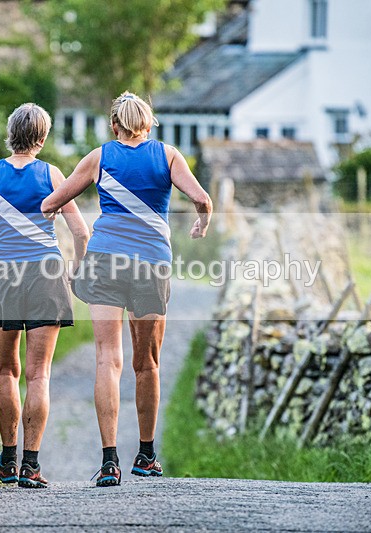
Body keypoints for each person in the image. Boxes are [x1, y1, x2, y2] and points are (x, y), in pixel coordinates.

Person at [41, 91, 212, 487]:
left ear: (114, 125)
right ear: (149, 124)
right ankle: (146, 456)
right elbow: (202, 200)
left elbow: (51, 203)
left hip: (105, 260)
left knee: (107, 359)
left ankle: (109, 461)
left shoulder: (99, 157)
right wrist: (201, 224)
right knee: (147, 362)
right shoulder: (168, 156)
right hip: (151, 263)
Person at [0, 103, 89, 489]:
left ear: (10, 133)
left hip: (3, 275)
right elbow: (81, 232)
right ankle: (31, 466)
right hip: (46, 275)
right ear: (41, 139)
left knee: (6, 369)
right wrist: (76, 268)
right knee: (38, 373)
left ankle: (7, 460)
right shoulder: (52, 174)